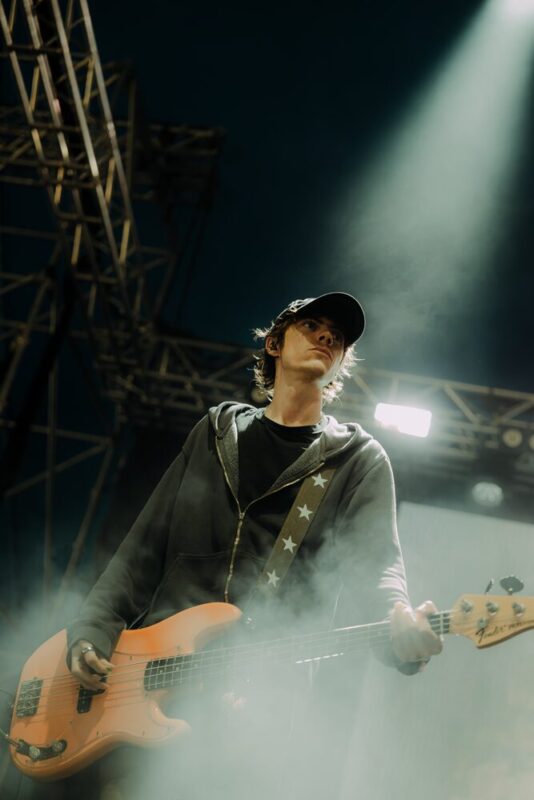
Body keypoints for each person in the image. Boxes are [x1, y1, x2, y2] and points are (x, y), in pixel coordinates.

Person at [67, 292, 442, 799]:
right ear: (274, 344)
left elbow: (377, 567)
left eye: (338, 337)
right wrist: (92, 629)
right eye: (312, 325)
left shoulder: (357, 459)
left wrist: (400, 625)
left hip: (257, 705)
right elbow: (143, 548)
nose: (327, 337)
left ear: (340, 367)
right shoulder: (216, 431)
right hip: (150, 685)